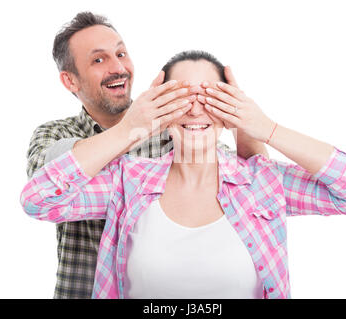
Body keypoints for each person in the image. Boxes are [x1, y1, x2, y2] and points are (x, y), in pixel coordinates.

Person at [20, 50, 346, 299]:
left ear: (230, 109)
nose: (196, 109)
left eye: (210, 97)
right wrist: (128, 128)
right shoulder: (128, 179)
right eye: (180, 97)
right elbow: (39, 201)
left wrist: (264, 128)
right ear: (160, 107)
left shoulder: (261, 182)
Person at [26, 12, 268, 298]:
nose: (118, 67)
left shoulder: (168, 131)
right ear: (70, 81)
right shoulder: (53, 133)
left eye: (121, 53)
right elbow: (44, 185)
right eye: (99, 60)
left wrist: (241, 117)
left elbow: (252, 180)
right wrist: (130, 130)